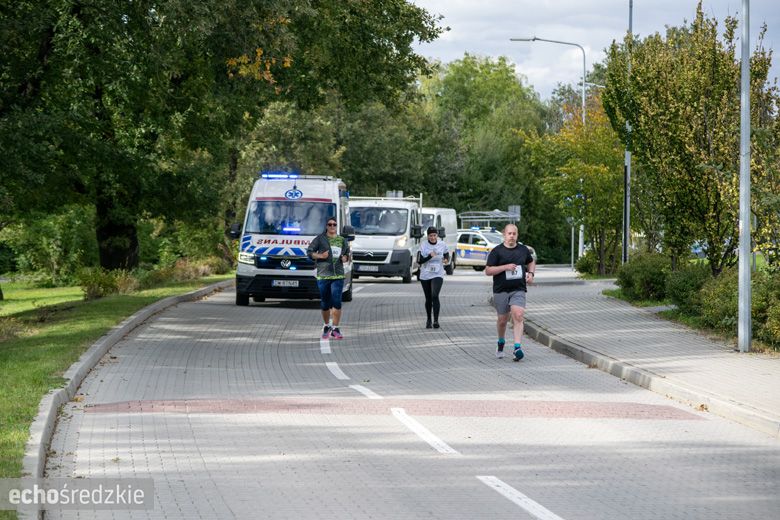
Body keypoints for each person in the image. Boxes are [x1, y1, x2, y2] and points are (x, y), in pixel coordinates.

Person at [485, 224, 536, 361]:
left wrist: (531, 273)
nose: (512, 236)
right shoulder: (497, 251)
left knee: (518, 315)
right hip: (501, 290)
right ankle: (501, 343)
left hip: (518, 289)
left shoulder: (523, 250)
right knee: (502, 321)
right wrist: (505, 267)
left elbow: (531, 262)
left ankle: (517, 348)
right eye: (509, 234)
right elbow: (488, 271)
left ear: (517, 235)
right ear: (504, 235)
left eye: (514, 234)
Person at [307, 216, 350, 340]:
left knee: (336, 301)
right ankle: (326, 326)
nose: (332, 226)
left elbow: (347, 254)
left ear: (337, 226)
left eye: (334, 224)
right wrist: (321, 255)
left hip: (338, 275)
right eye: (330, 224)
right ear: (326, 226)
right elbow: (309, 253)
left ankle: (335, 328)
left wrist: (345, 258)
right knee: (325, 302)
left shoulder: (342, 240)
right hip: (324, 275)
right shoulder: (320, 239)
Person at [417, 226, 450, 329]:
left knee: (434, 295)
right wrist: (429, 256)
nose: (432, 237)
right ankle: (428, 320)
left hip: (438, 273)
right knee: (428, 298)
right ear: (428, 236)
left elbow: (446, 255)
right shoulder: (423, 245)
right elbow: (419, 261)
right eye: (430, 236)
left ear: (437, 235)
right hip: (425, 274)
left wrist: (445, 260)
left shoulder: (442, 244)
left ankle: (436, 320)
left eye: (434, 235)